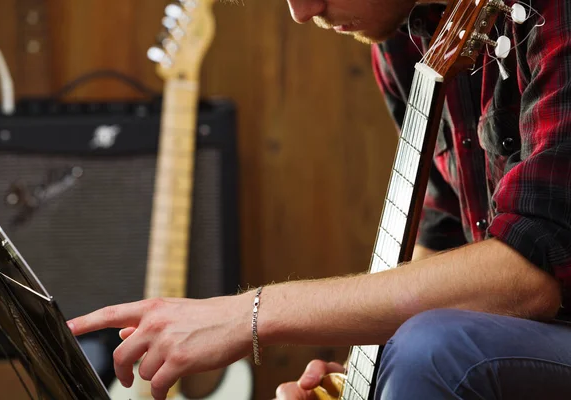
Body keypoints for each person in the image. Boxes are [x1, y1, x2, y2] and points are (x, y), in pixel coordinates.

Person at [67, 0, 571, 398]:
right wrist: (364, 377)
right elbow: (439, 242)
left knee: (430, 350)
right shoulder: (403, 38)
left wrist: (251, 315)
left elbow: (532, 274)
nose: (300, 10)